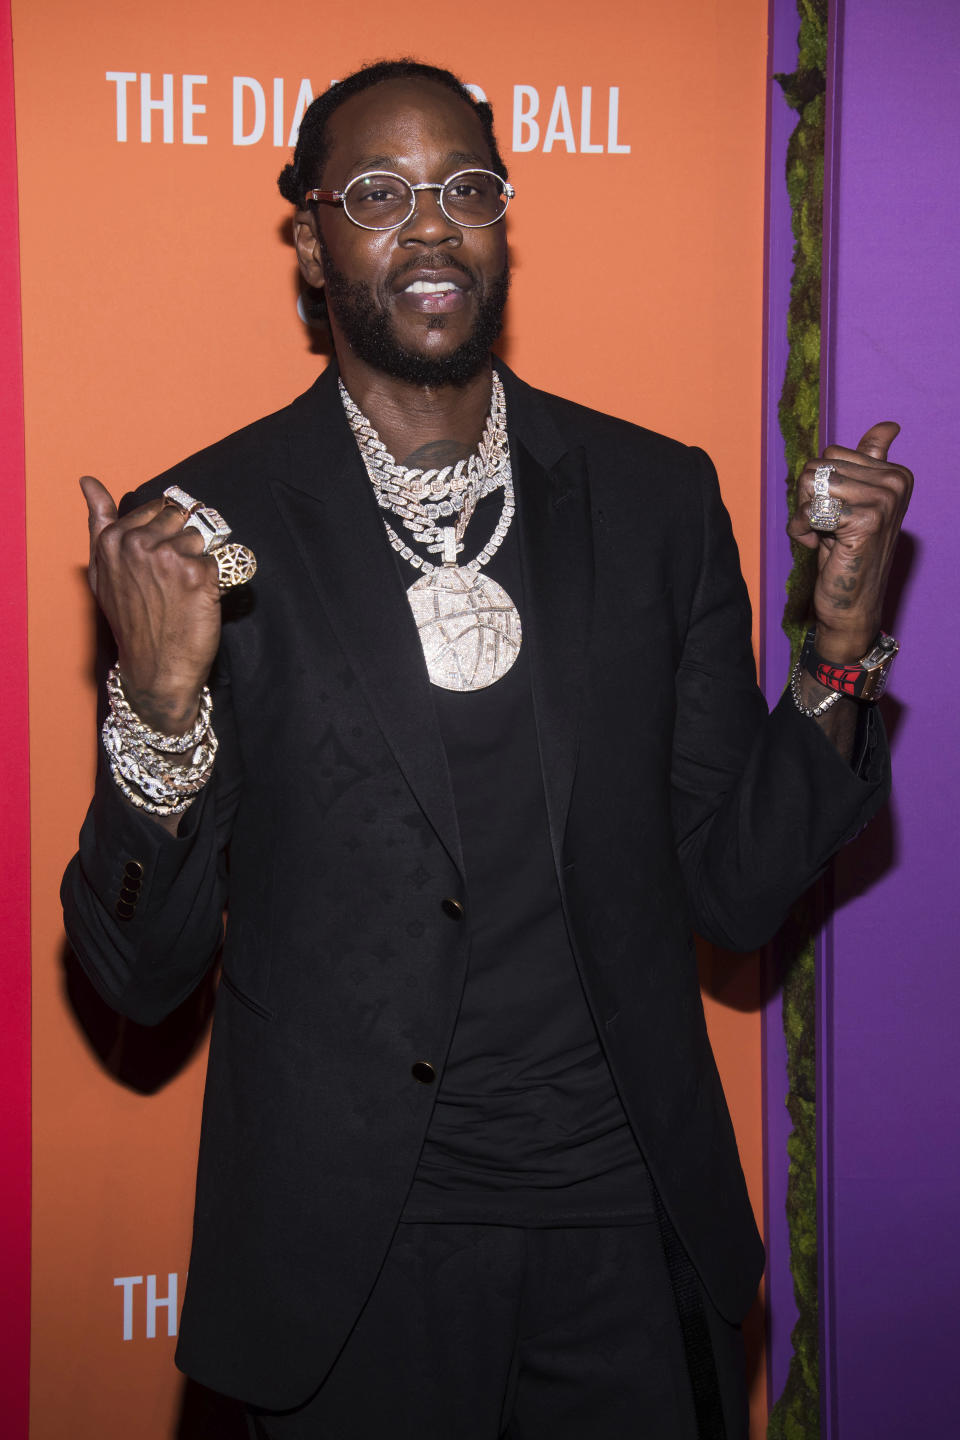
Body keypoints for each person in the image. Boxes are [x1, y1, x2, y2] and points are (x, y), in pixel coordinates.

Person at [62, 59, 911, 1440]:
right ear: (310, 237)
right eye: (381, 194)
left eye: (468, 187)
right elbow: (141, 979)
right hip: (352, 1269)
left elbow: (737, 891)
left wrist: (836, 651)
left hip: (626, 1238)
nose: (434, 225)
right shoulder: (200, 530)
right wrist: (159, 710)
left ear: (506, 219)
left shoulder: (655, 498)